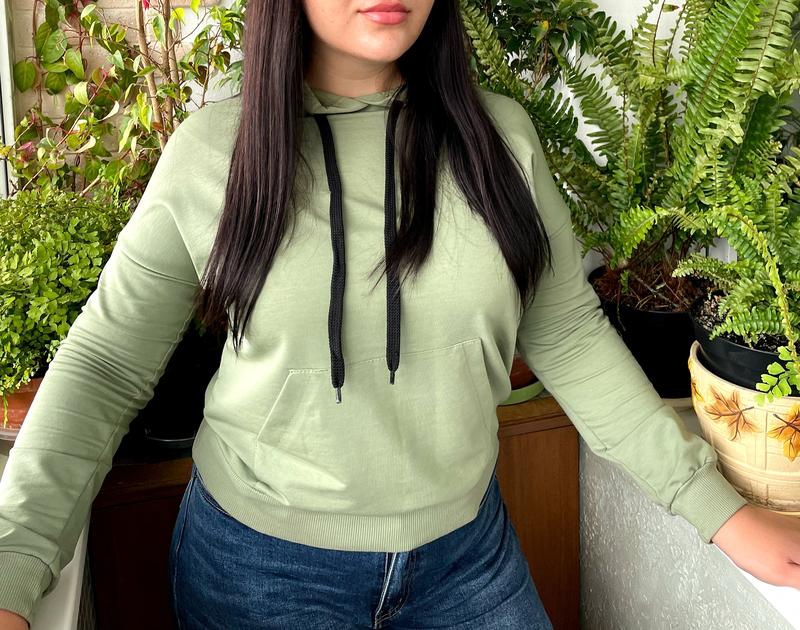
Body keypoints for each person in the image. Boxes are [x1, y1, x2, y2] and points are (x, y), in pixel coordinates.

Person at [1, 1, 800, 628]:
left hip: (467, 557)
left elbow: (566, 335)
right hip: (261, 570)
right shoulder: (215, 154)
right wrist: (13, 568)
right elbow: (104, 365)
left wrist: (718, 512)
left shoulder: (499, 140)